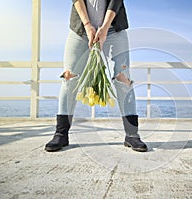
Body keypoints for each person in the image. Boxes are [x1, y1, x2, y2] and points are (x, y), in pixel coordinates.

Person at [45, 0, 147, 152]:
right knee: (69, 78)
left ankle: (132, 135)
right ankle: (61, 134)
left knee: (123, 80)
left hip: (113, 30)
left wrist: (104, 28)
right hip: (80, 30)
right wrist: (87, 26)